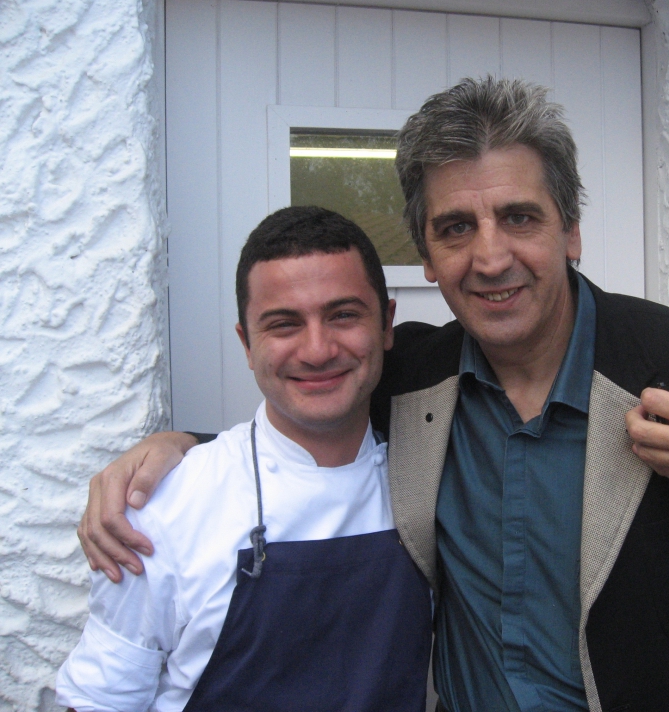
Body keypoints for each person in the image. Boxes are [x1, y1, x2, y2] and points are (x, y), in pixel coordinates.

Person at [77, 78, 669, 712]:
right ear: (426, 254)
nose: (489, 257)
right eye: (455, 228)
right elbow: (309, 389)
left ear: (570, 230)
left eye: (520, 218)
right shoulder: (413, 376)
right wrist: (175, 451)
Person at [59, 207, 432, 712]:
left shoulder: (434, 478)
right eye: (284, 324)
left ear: (386, 324)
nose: (318, 350)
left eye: (343, 315)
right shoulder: (163, 506)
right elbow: (102, 701)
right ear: (247, 344)